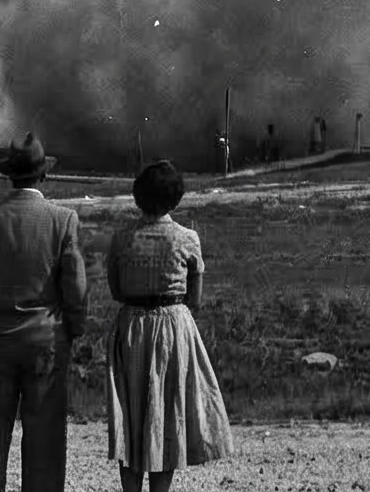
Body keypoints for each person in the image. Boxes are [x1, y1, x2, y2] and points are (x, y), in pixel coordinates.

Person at [0, 132, 89, 492]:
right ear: (43, 175)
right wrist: (74, 329)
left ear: (8, 175)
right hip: (45, 339)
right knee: (45, 436)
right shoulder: (63, 220)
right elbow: (74, 286)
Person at [104, 160, 233, 492]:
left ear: (138, 196)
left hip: (132, 326)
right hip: (172, 328)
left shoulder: (122, 238)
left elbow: (116, 290)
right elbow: (196, 298)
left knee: (131, 414)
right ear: (175, 198)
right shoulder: (187, 239)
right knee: (166, 412)